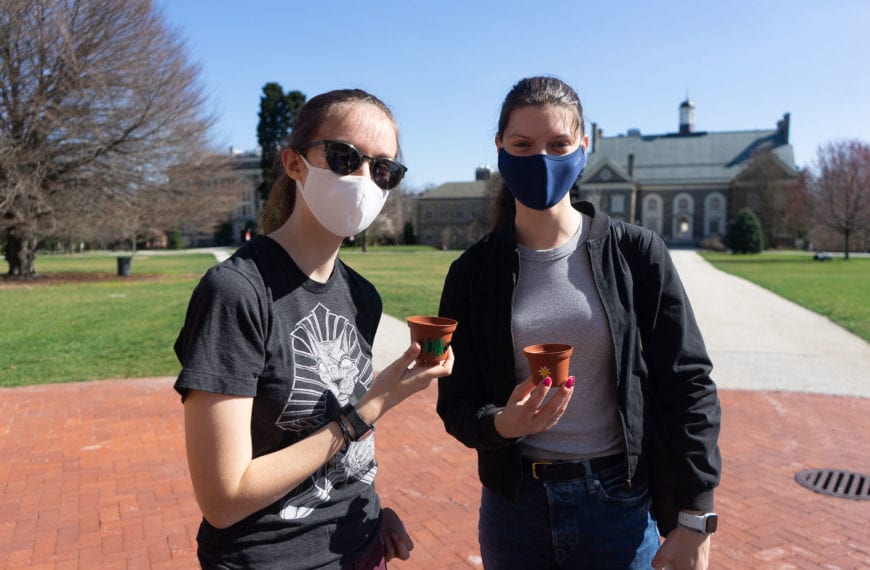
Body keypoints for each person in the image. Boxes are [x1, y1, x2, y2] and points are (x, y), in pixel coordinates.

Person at [436, 76, 721, 569]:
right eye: (522, 145)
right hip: (514, 508)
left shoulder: (636, 254)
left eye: (558, 144)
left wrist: (695, 514)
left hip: (618, 505)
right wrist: (503, 422)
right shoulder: (473, 271)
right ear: (499, 148)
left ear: (584, 148)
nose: (540, 159)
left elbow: (688, 384)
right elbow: (457, 402)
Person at [174, 88, 454, 569]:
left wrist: (371, 504)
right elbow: (222, 501)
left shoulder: (363, 296)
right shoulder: (237, 292)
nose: (365, 178)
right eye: (345, 158)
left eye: (383, 169)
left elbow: (347, 443)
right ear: (294, 163)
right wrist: (369, 408)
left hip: (360, 547)